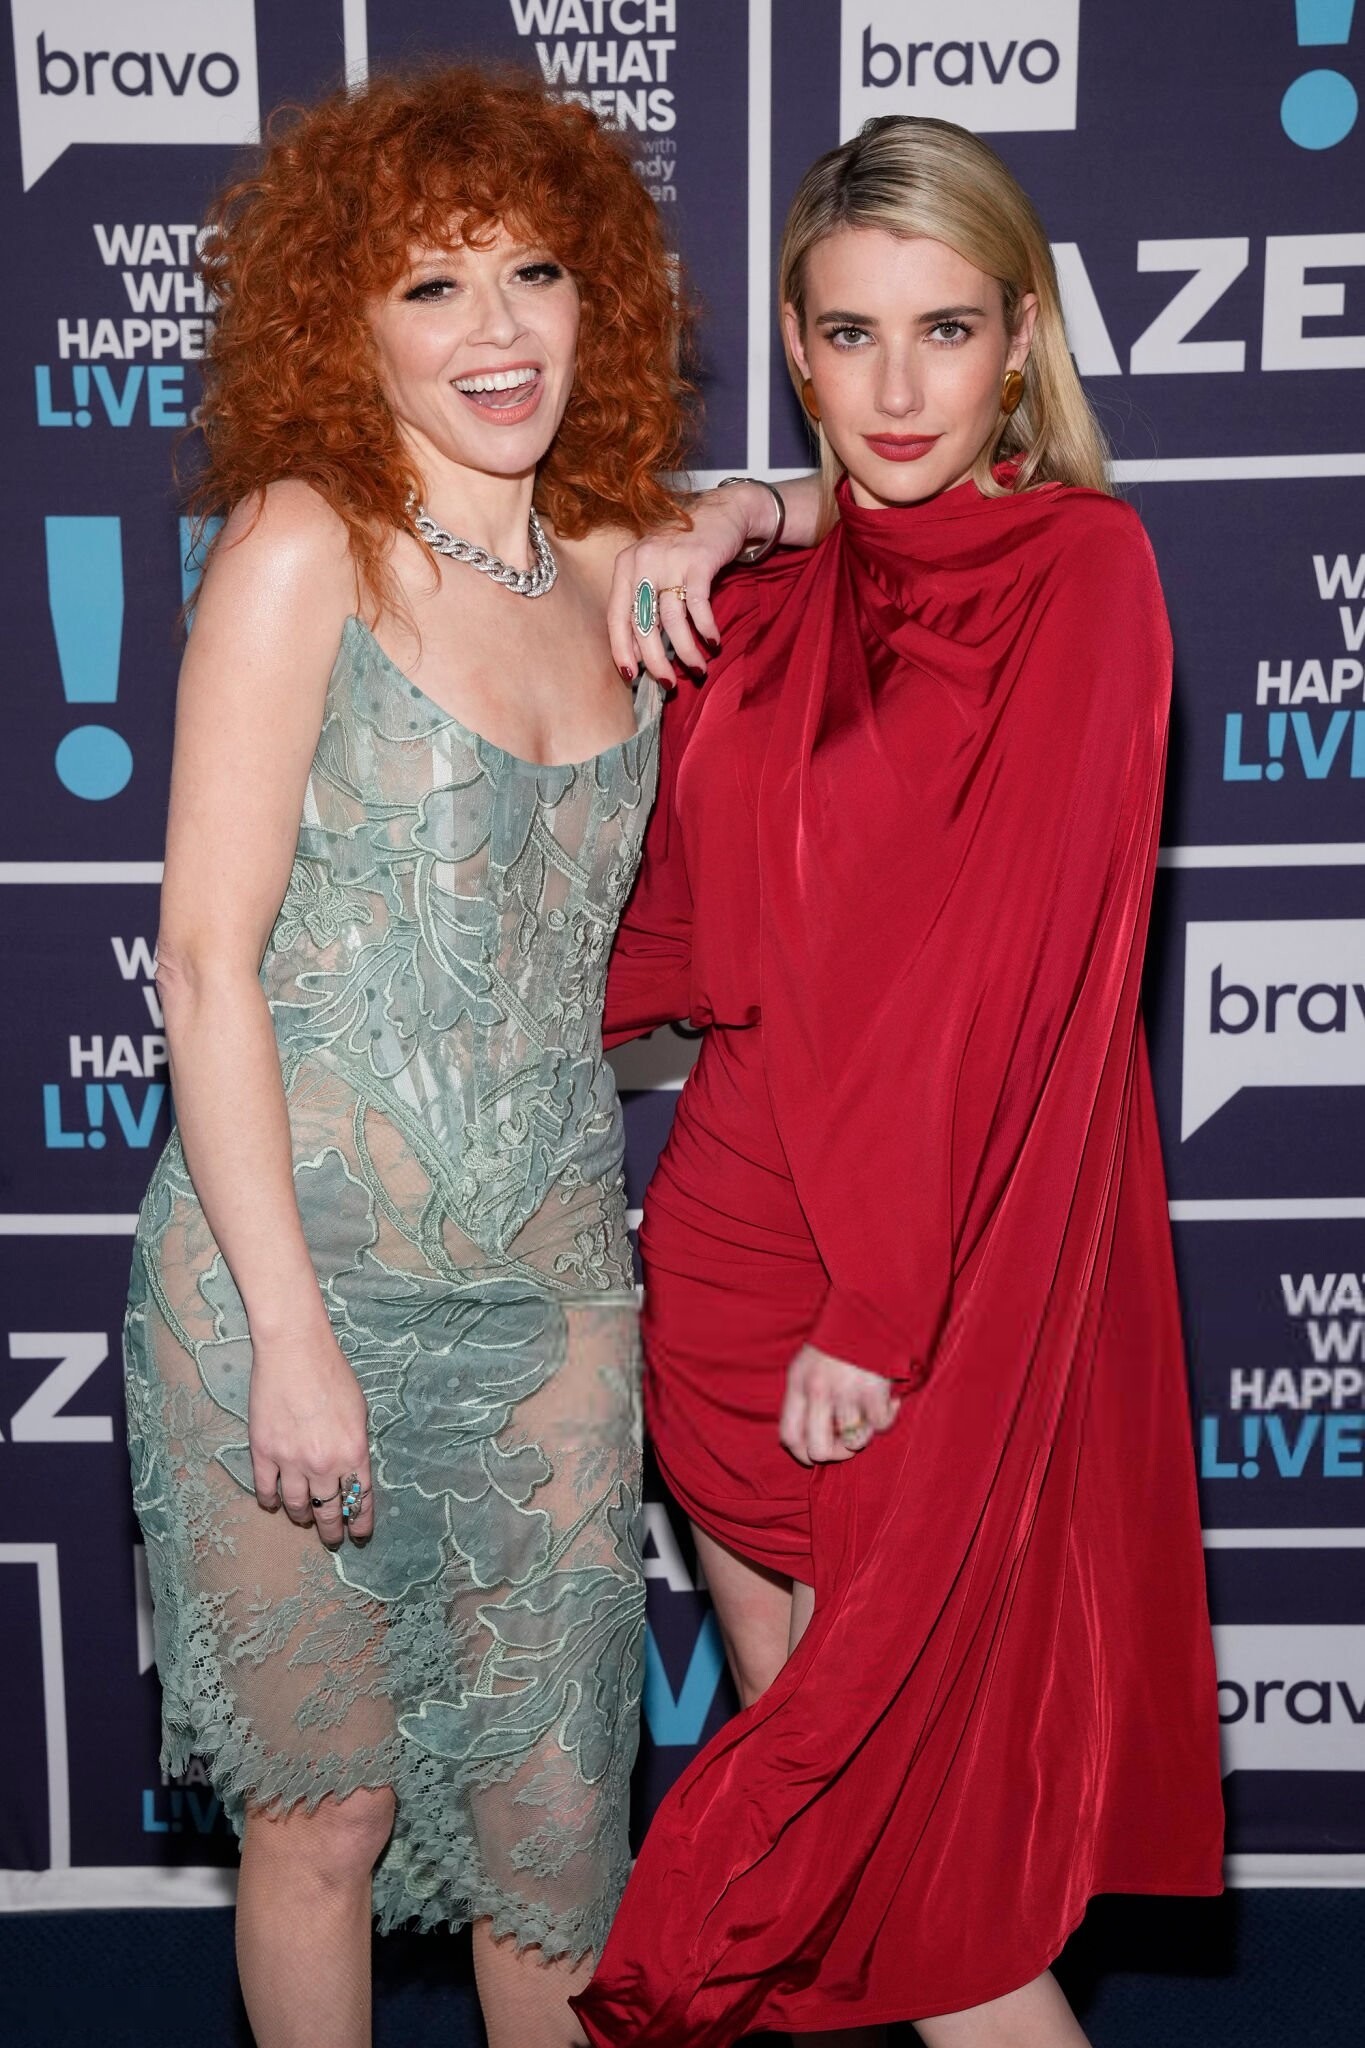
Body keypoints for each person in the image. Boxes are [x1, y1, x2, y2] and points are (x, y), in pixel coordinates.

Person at [121, 66, 807, 2048]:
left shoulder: (620, 558)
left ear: (599, 300)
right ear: (347, 323)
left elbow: (916, 489)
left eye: (534, 273)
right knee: (322, 1818)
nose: (494, 329)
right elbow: (203, 964)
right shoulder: (302, 546)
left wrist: (744, 504)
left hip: (552, 1303)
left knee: (556, 1840)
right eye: (431, 286)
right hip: (284, 1286)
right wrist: (288, 1337)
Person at [576, 116, 1225, 2048]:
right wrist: (743, 516)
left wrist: (879, 1307)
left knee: (919, 1886)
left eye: (944, 330)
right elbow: (676, 941)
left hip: (913, 1291)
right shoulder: (763, 596)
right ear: (794, 344)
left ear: (1020, 338)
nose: (896, 388)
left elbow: (1004, 981)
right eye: (849, 334)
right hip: (725, 1261)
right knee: (828, 1873)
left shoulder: (1085, 578)